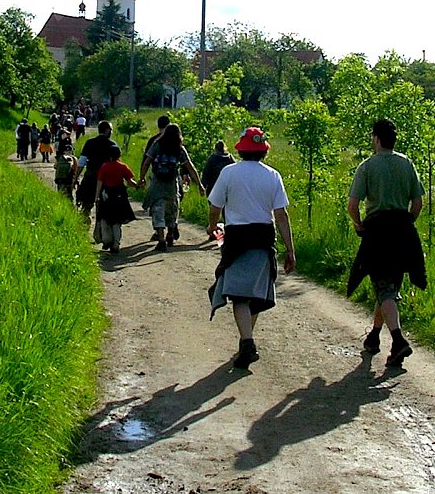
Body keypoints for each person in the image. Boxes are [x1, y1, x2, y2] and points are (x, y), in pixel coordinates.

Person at [206, 127, 295, 370]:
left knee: (239, 295)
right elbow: (281, 214)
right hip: (263, 238)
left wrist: (212, 226)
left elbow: (215, 205)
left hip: (236, 239)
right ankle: (246, 343)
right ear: (264, 151)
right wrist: (290, 250)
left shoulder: (229, 173)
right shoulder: (273, 176)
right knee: (254, 295)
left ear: (241, 149)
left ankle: (247, 342)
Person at [346, 118, 427, 368]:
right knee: (389, 287)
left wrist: (359, 223)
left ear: (377, 139)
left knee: (384, 287)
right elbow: (418, 203)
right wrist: (407, 222)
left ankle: (398, 339)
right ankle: (373, 336)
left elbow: (352, 204)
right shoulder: (407, 164)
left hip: (378, 231)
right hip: (403, 231)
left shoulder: (367, 167)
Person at [140, 123, 205, 251]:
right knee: (172, 208)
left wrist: (141, 178)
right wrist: (200, 184)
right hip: (172, 184)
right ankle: (170, 235)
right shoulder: (179, 149)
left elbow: (147, 161)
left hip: (157, 183)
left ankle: (161, 239)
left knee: (157, 208)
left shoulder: (157, 145)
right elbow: (190, 167)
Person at [76, 121, 120, 241]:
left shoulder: (90, 143)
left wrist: (75, 178)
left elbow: (81, 163)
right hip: (107, 181)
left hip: (90, 178)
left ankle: (82, 232)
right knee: (103, 209)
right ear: (106, 130)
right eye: (110, 129)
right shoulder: (112, 145)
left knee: (86, 206)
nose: (111, 132)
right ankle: (100, 234)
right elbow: (117, 164)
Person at [95, 146, 139, 254]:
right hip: (119, 195)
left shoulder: (104, 166)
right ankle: (116, 244)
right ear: (119, 155)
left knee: (105, 220)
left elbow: (100, 182)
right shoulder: (123, 167)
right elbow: (130, 181)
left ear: (109, 155)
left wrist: (97, 196)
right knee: (117, 222)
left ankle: (107, 240)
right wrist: (137, 185)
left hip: (107, 196)